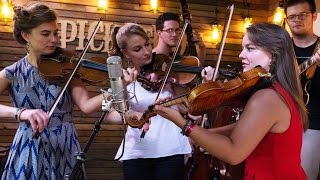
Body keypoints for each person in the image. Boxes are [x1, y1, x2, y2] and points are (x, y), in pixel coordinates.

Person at [153, 22, 308, 179]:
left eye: (250, 48)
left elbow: (234, 153)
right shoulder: (280, 91)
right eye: (243, 48)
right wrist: (207, 134)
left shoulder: (266, 98)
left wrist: (181, 122)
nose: (241, 55)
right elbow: (246, 127)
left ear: (274, 55)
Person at [0, 3, 134, 179]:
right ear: (26, 36)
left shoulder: (67, 67)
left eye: (56, 33)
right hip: (30, 147)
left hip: (65, 145)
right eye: (45, 34)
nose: (54, 40)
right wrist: (21, 113)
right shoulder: (11, 73)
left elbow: (86, 106)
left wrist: (118, 86)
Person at [105, 23, 213, 180]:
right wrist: (132, 114)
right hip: (136, 151)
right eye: (137, 49)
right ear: (125, 53)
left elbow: (190, 107)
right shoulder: (122, 79)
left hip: (170, 149)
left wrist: (204, 84)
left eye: (148, 44)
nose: (147, 51)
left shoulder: (168, 72)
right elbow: (110, 114)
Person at [285, 1, 320, 179]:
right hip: (280, 119)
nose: (297, 20)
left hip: (313, 122)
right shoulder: (281, 49)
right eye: (292, 17)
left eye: (303, 15)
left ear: (314, 15)